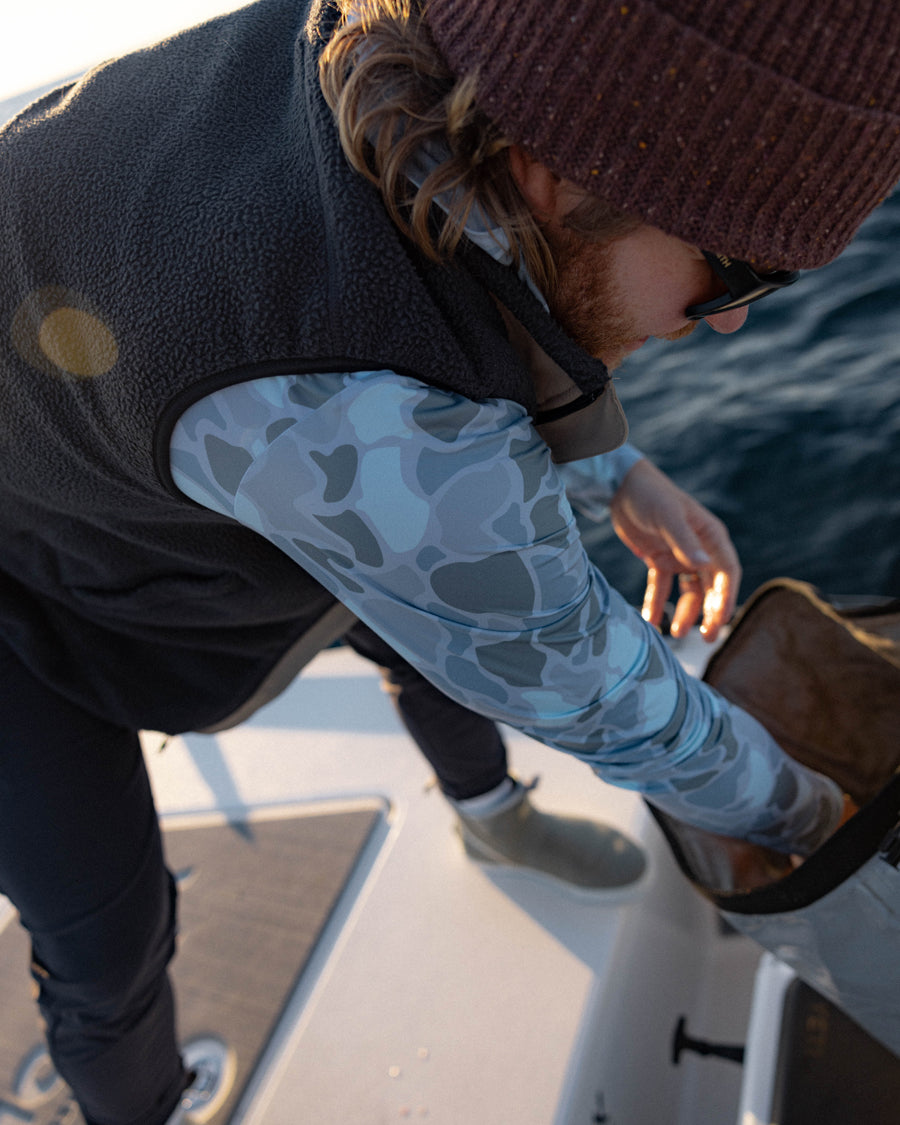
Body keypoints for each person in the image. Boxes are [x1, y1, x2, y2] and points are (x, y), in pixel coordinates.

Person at [0, 0, 897, 1121]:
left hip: (118, 452)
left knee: (411, 609)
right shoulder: (360, 420)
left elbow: (482, 275)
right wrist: (826, 821)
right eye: (738, 276)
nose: (730, 329)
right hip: (24, 599)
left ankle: (493, 816)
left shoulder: (400, 55)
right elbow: (598, 695)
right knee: (105, 933)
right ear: (553, 171)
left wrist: (618, 469)